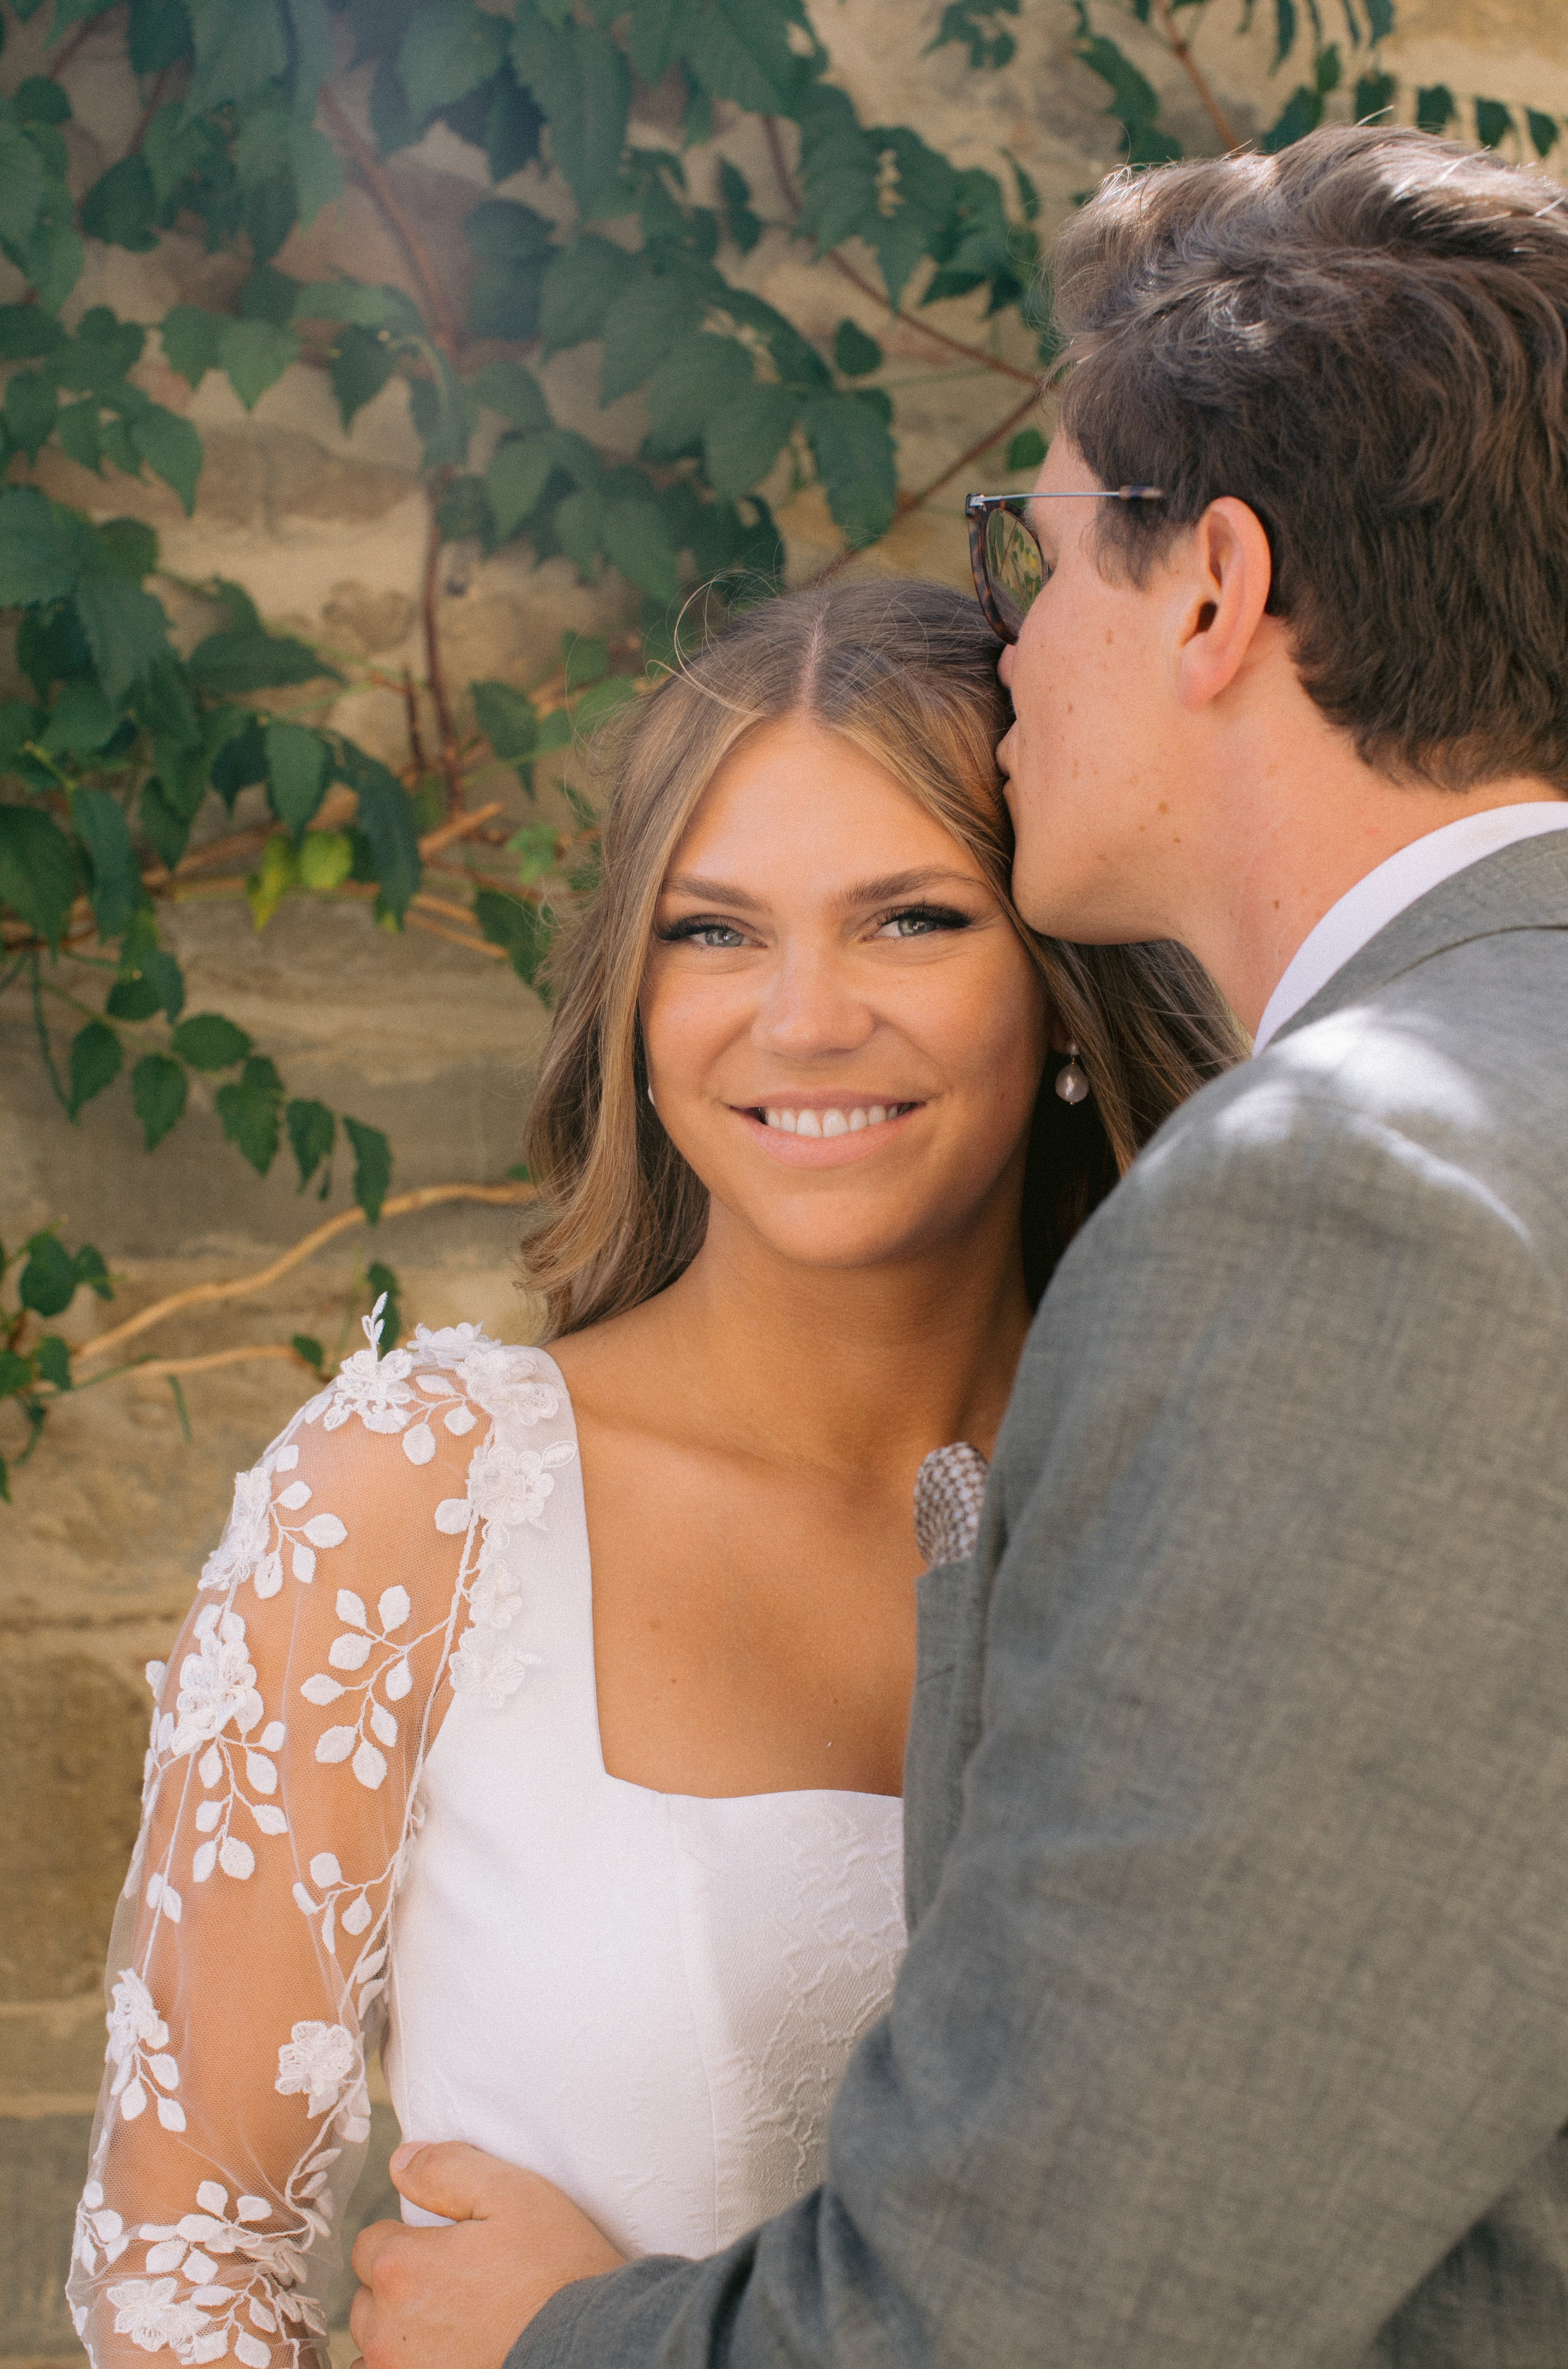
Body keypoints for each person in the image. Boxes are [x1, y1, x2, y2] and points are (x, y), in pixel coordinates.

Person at [342, 124, 1568, 2368]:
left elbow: (1064, 2313)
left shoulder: (1356, 1200)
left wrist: (550, 2341)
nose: (1017, 648)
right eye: (717, 929)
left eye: (1045, 556)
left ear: (1207, 589)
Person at [67, 577, 1237, 2366]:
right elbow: (189, 2269)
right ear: (634, 987)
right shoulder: (416, 1500)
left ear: (1067, 983)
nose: (805, 1018)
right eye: (713, 933)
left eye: (911, 919)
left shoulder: (1219, 1497)